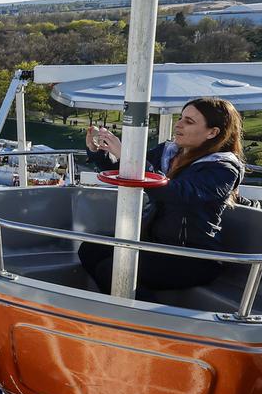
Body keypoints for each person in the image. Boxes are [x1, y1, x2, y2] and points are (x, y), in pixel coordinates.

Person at [80, 97, 245, 294]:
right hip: (157, 245)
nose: (179, 124)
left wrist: (129, 156)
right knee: (90, 249)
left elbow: (178, 193)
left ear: (213, 132)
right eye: (181, 118)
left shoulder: (223, 169)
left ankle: (140, 320)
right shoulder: (169, 153)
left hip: (193, 256)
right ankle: (121, 308)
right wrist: (98, 152)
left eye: (189, 121)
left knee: (113, 270)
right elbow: (130, 170)